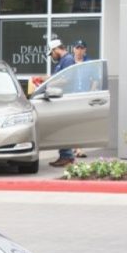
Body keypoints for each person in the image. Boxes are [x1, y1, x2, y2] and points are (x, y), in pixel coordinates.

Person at [45, 39, 77, 167]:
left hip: (66, 98)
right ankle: (64, 155)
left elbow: (66, 79)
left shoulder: (68, 59)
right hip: (61, 98)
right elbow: (57, 77)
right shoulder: (62, 61)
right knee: (61, 127)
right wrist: (44, 80)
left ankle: (67, 156)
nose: (51, 56)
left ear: (56, 49)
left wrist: (49, 83)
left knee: (63, 128)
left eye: (51, 53)